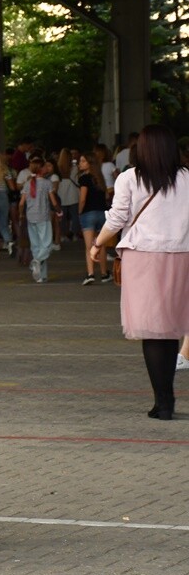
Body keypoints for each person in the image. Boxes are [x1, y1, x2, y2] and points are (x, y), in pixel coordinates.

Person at [91, 124, 189, 420]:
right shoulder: (186, 177)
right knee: (171, 327)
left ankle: (163, 402)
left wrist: (97, 244)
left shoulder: (130, 178)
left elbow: (118, 218)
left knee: (152, 329)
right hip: (181, 255)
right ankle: (166, 401)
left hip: (143, 257)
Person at [20, 156, 60, 283]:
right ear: (41, 169)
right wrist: (59, 211)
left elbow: (21, 203)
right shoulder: (47, 183)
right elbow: (53, 201)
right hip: (43, 217)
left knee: (36, 245)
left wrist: (21, 214)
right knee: (46, 245)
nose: (47, 168)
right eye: (45, 166)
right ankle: (37, 261)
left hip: (30, 217)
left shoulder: (27, 184)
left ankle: (41, 275)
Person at [77, 152, 110, 284]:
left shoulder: (84, 178)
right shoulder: (100, 179)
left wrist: (80, 212)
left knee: (89, 246)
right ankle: (104, 274)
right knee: (101, 245)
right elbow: (106, 196)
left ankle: (90, 274)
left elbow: (83, 198)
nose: (80, 164)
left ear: (89, 163)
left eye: (83, 161)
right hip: (102, 213)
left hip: (88, 213)